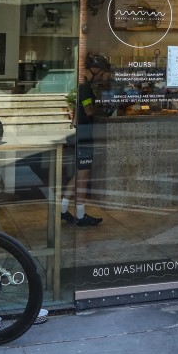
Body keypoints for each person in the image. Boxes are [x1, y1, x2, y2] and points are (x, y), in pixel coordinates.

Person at [61, 53, 108, 226]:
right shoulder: (86, 88)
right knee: (83, 177)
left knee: (77, 175)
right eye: (102, 71)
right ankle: (80, 216)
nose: (103, 75)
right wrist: (103, 107)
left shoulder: (83, 87)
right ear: (94, 70)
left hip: (82, 134)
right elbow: (88, 110)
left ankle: (63, 210)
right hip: (85, 136)